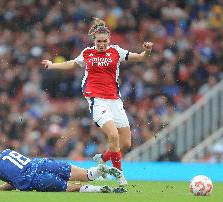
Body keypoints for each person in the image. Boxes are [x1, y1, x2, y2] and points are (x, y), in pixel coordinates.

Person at [41, 17, 153, 186]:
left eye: (104, 41)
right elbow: (72, 64)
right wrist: (52, 65)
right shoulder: (87, 53)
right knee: (113, 135)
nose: (102, 44)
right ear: (94, 41)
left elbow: (141, 58)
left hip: (115, 100)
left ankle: (104, 157)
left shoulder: (116, 51)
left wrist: (148, 51)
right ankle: (119, 174)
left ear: (109, 40)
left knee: (126, 143)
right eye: (99, 41)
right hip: (97, 100)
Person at [0, 143, 127, 193]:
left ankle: (103, 190)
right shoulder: (7, 151)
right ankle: (99, 170)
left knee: (75, 188)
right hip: (40, 163)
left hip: (36, 180)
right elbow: (12, 182)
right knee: (86, 174)